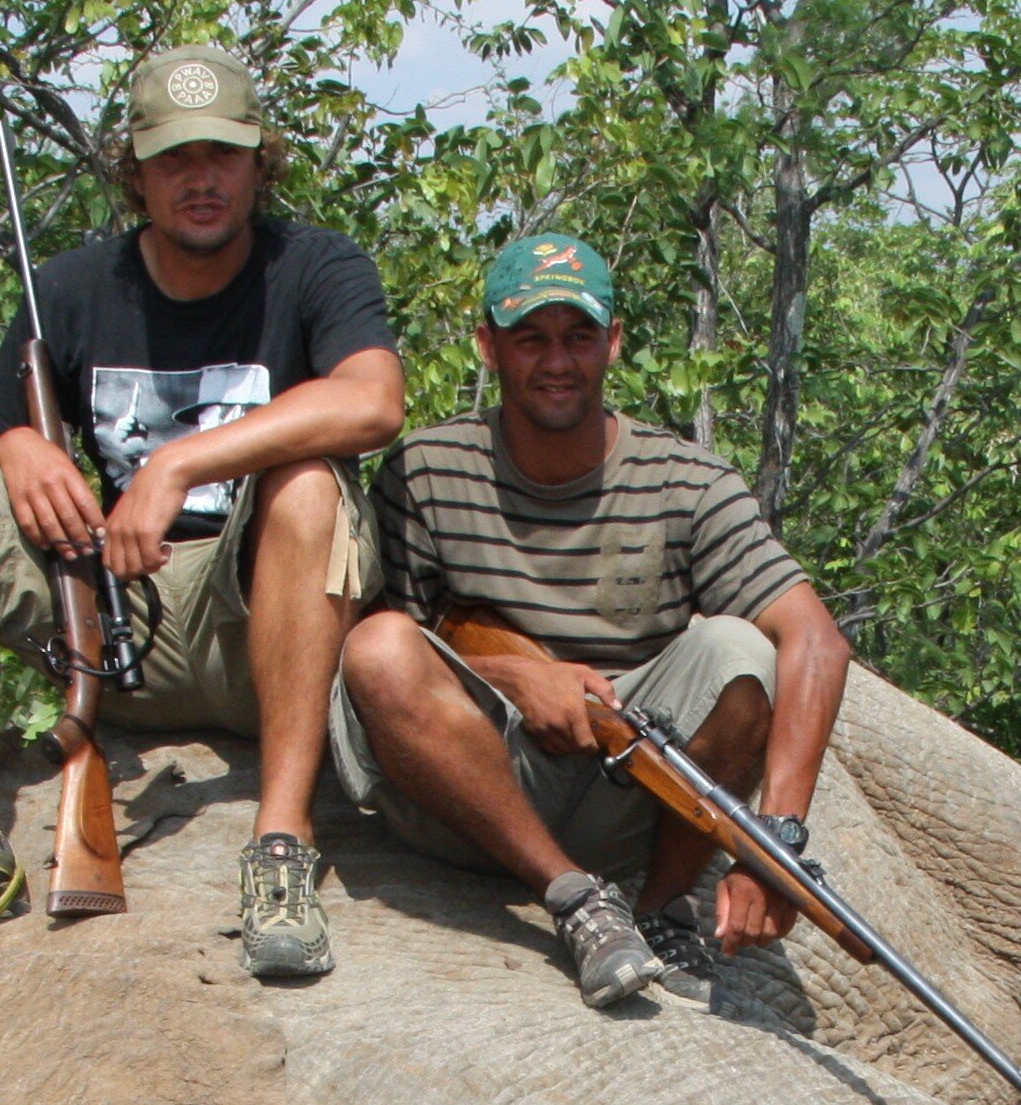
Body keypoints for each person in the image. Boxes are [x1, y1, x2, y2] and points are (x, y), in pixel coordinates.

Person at [0, 44, 404, 977]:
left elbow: (373, 401)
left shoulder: (315, 266)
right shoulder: (71, 287)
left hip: (257, 627)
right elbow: (0, 430)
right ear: (137, 173)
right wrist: (23, 448)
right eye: (174, 160)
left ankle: (280, 846)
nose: (202, 181)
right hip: (115, 611)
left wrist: (177, 464)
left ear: (258, 163)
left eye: (223, 157)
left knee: (310, 485)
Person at [332, 230, 853, 1006]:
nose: (556, 362)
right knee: (374, 649)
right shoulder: (425, 470)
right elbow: (395, 639)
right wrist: (517, 676)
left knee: (739, 647)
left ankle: (660, 906)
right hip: (472, 790)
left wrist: (772, 842)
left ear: (613, 344)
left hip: (632, 785)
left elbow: (816, 638)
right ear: (487, 346)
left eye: (579, 337)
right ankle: (574, 899)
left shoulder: (690, 480)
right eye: (530, 339)